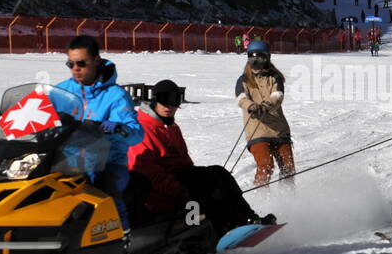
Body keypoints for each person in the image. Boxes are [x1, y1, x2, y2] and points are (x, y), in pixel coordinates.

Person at [129, 79, 274, 241]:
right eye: (164, 100)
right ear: (155, 100)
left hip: (180, 179)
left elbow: (185, 162)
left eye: (175, 101)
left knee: (218, 175)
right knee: (205, 187)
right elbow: (148, 173)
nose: (169, 106)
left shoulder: (171, 127)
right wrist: (179, 190)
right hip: (160, 193)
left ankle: (247, 218)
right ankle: (224, 228)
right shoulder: (143, 129)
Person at [55, 36, 144, 227]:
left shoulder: (115, 96)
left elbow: (137, 134)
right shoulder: (61, 91)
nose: (75, 68)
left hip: (106, 163)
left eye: (81, 63)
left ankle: (122, 240)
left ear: (96, 60)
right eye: (70, 64)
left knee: (107, 190)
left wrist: (119, 128)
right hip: (63, 163)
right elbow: (39, 113)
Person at [235, 40, 296, 189]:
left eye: (259, 57)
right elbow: (241, 98)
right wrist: (251, 106)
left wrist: (267, 105)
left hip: (279, 129)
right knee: (266, 165)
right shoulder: (243, 80)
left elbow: (277, 96)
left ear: (267, 58)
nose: (255, 61)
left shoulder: (275, 77)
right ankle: (261, 200)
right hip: (257, 131)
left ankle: (288, 198)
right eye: (252, 57)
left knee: (288, 168)